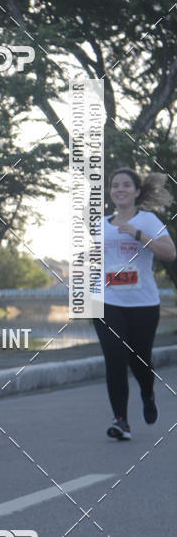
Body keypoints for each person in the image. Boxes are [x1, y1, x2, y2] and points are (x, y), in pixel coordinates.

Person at [94, 168, 175, 440]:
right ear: (110, 192)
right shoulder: (100, 224)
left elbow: (170, 253)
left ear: (137, 191)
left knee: (139, 359)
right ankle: (120, 421)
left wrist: (139, 235)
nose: (120, 189)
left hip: (143, 303)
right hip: (107, 301)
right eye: (115, 185)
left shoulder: (148, 220)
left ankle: (147, 392)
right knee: (115, 357)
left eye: (126, 185)